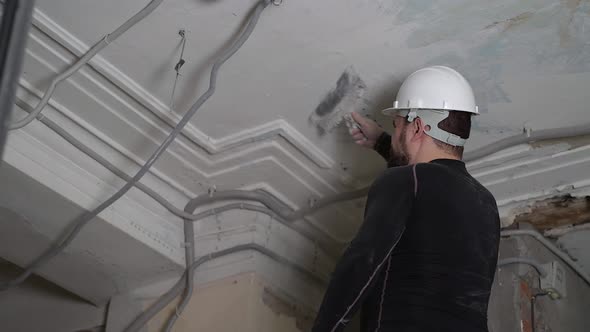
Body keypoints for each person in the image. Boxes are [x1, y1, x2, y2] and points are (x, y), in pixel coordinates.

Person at [311, 66, 500, 332]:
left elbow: (362, 262)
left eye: (397, 124)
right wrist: (383, 142)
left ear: (417, 128)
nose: (396, 132)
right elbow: (425, 189)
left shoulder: (403, 180)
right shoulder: (485, 202)